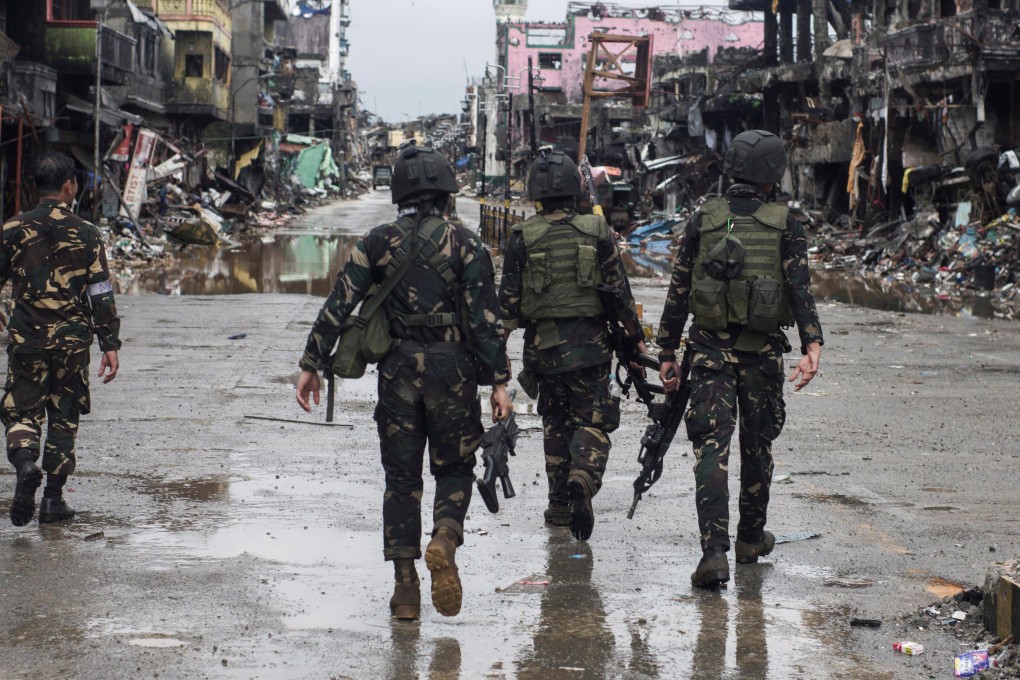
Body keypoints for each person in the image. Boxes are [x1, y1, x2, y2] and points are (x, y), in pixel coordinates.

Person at [295, 143, 512, 620]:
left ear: (400, 193)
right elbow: (486, 321)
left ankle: (406, 589)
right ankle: (445, 537)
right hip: (453, 371)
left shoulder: (376, 240)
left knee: (400, 481)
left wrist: (312, 363)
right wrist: (498, 382)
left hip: (397, 372)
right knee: (454, 467)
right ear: (445, 191)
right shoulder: (467, 243)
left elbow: (339, 303)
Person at [656, 129, 823, 589]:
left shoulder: (703, 219)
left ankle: (714, 552)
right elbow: (799, 288)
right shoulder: (787, 222)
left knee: (712, 447)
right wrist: (812, 345)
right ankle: (750, 538)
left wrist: (667, 351)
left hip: (708, 352)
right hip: (761, 355)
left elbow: (679, 288)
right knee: (757, 444)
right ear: (773, 172)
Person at [499, 147, 644, 541]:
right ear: (575, 189)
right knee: (593, 420)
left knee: (554, 423)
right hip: (591, 348)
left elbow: (507, 307)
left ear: (536, 193)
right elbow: (620, 294)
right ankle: (583, 474)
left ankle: (559, 506)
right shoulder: (597, 232)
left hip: (543, 352)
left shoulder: (521, 238)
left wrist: (497, 358)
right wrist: (636, 342)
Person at [1, 151, 121, 526]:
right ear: (69, 186)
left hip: (27, 338)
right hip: (72, 342)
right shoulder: (87, 233)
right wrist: (110, 343)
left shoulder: (11, 229)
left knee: (21, 411)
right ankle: (53, 500)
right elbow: (100, 292)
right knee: (64, 415)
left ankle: (24, 466)